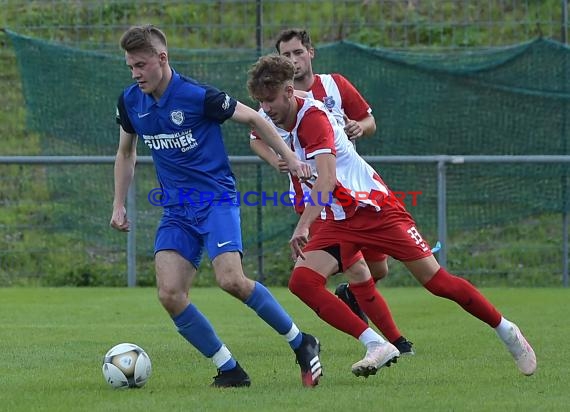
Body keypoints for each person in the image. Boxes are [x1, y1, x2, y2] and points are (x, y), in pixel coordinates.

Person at [246, 54, 537, 377]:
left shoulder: (313, 117)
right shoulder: (271, 111)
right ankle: (376, 343)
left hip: (373, 209)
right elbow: (254, 128)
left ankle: (506, 329)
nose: (266, 109)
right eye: (261, 101)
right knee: (302, 282)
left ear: (288, 91)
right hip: (337, 218)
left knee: (437, 282)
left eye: (270, 100)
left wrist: (303, 226)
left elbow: (326, 180)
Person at [110, 25, 323, 388]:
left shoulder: (197, 96)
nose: (135, 74)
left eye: (141, 65)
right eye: (131, 66)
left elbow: (255, 118)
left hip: (215, 201)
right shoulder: (130, 101)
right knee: (170, 293)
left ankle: (301, 342)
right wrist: (118, 203)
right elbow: (126, 153)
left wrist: (288, 156)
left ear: (162, 59)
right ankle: (230, 369)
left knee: (231, 280)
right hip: (177, 211)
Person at [249, 28, 413, 355]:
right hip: (318, 202)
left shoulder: (334, 86)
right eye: (286, 55)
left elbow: (368, 121)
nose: (293, 60)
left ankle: (359, 306)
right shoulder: (275, 100)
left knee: (377, 269)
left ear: (311, 52)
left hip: (356, 195)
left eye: (298, 52)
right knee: (355, 269)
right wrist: (279, 158)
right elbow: (256, 137)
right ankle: (393, 343)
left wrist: (358, 128)